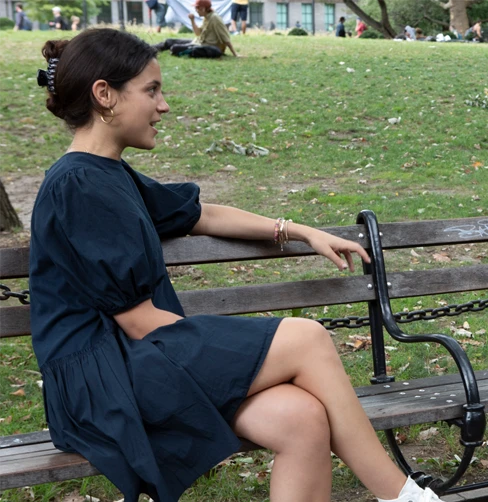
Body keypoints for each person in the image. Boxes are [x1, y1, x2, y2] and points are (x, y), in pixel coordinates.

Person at [33, 28, 447, 502]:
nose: (163, 106)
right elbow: (138, 320)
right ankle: (404, 496)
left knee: (302, 419)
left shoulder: (106, 173)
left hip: (134, 360)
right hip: (104, 384)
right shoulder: (78, 186)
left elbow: (201, 214)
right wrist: (230, 356)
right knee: (306, 338)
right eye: (152, 90)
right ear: (104, 94)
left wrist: (300, 231)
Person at [153, 0, 238, 58]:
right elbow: (198, 33)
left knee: (175, 48)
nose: (196, 10)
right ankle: (151, 49)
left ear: (203, 9)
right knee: (169, 41)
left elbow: (226, 38)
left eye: (197, 8)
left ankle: (183, 51)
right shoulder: (206, 17)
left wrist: (235, 54)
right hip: (198, 42)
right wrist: (192, 20)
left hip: (209, 47)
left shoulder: (215, 18)